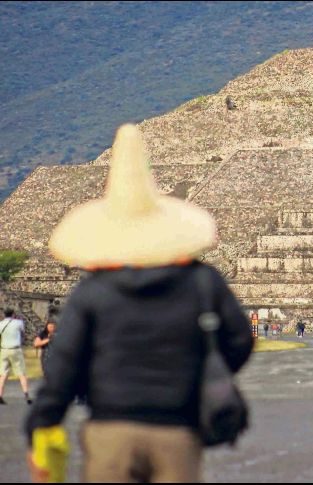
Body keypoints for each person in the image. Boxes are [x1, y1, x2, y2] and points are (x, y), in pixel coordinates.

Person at [24, 125, 253, 482]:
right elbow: (240, 341)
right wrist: (201, 373)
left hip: (111, 429)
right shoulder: (201, 282)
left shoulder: (93, 291)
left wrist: (43, 422)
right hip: (178, 429)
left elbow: (65, 363)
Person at [0, 308, 32, 405]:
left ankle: (0, 394)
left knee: (3, 374)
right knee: (21, 373)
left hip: (4, 349)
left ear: (4, 314)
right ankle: (26, 394)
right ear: (13, 314)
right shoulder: (19, 323)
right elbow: (22, 333)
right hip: (15, 349)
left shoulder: (1, 324)